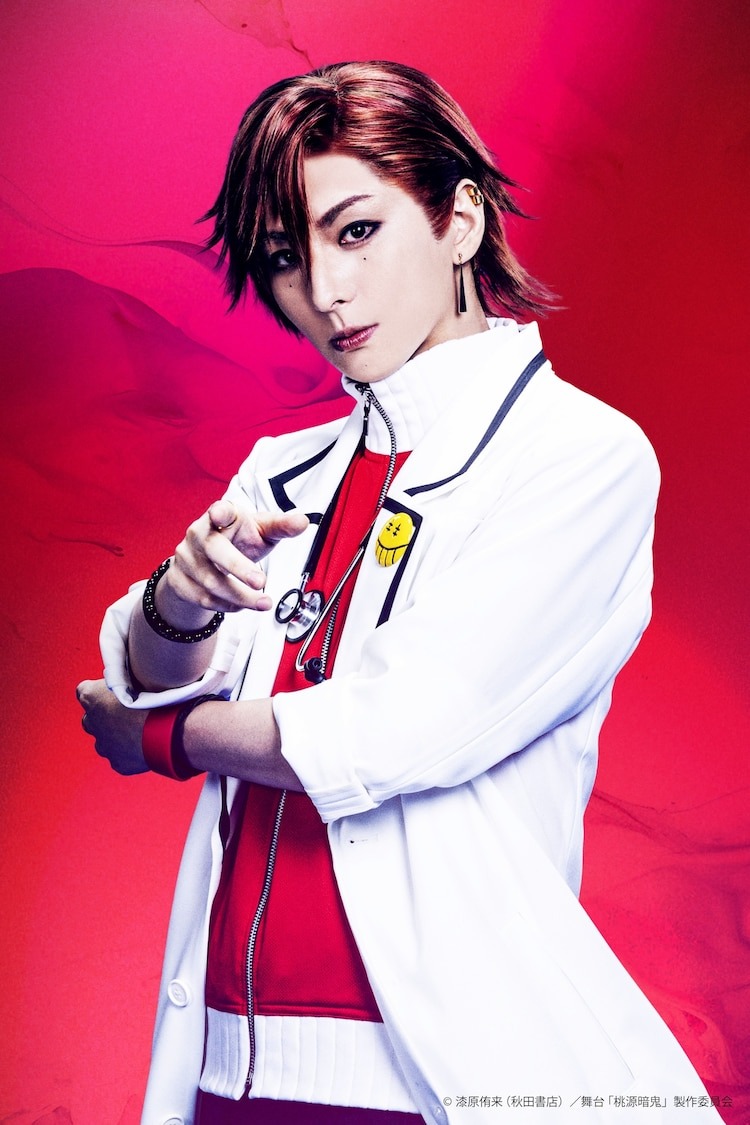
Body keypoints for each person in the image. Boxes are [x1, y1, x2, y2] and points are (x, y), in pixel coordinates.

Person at [77, 62, 721, 1125]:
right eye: (286, 257)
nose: (326, 291)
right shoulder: (284, 470)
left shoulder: (579, 457)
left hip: (432, 1076)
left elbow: (396, 731)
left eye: (358, 232)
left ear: (460, 218)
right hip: (227, 1067)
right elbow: (149, 672)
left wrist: (161, 740)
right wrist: (178, 602)